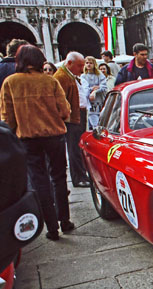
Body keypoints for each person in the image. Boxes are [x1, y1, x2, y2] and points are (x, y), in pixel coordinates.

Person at [0, 45, 74, 241]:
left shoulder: (10, 83)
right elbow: (65, 111)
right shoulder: (49, 82)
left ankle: (51, 228)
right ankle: (64, 221)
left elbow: (6, 117)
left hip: (27, 138)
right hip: (53, 136)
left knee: (39, 180)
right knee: (58, 177)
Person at [54, 51, 89, 188]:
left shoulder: (70, 75)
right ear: (69, 63)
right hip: (72, 118)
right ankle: (78, 177)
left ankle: (81, 174)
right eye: (79, 65)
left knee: (78, 146)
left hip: (78, 115)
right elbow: (60, 101)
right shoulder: (62, 77)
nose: (82, 69)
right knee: (74, 148)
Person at [81, 56, 108, 129]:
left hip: (100, 102)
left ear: (94, 64)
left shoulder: (100, 75)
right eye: (87, 63)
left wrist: (96, 90)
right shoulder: (83, 76)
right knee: (94, 124)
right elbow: (84, 88)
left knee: (103, 122)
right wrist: (92, 89)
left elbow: (104, 87)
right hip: (90, 103)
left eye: (91, 63)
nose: (89, 65)